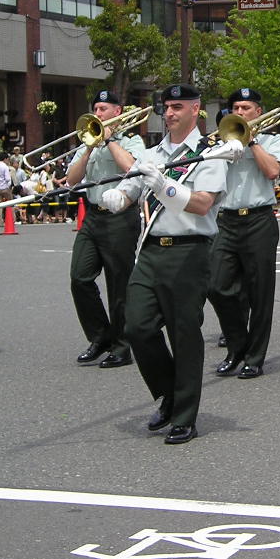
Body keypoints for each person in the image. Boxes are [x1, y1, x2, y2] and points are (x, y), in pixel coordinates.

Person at [101, 83, 233, 445]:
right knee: (137, 326)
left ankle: (185, 416)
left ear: (195, 109)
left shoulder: (213, 152)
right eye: (166, 107)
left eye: (177, 106)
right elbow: (136, 186)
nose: (169, 113)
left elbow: (204, 203)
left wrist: (165, 187)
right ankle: (169, 393)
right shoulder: (154, 152)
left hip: (189, 251)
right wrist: (121, 195)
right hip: (152, 249)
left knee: (183, 333)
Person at [66, 90, 145, 369]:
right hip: (93, 217)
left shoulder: (132, 141)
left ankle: (123, 346)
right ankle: (101, 337)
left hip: (120, 217)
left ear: (117, 111)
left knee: (118, 284)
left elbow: (133, 169)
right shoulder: (89, 138)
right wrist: (89, 147)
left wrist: (109, 139)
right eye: (96, 109)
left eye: (103, 109)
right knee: (79, 277)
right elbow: (72, 181)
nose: (97, 114)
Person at [209, 88, 280, 379]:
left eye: (246, 108)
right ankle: (237, 345)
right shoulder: (219, 140)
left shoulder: (271, 140)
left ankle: (254, 356)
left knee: (260, 293)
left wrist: (251, 142)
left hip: (258, 219)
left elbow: (272, 171)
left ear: (259, 112)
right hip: (225, 220)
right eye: (235, 108)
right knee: (216, 286)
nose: (239, 113)